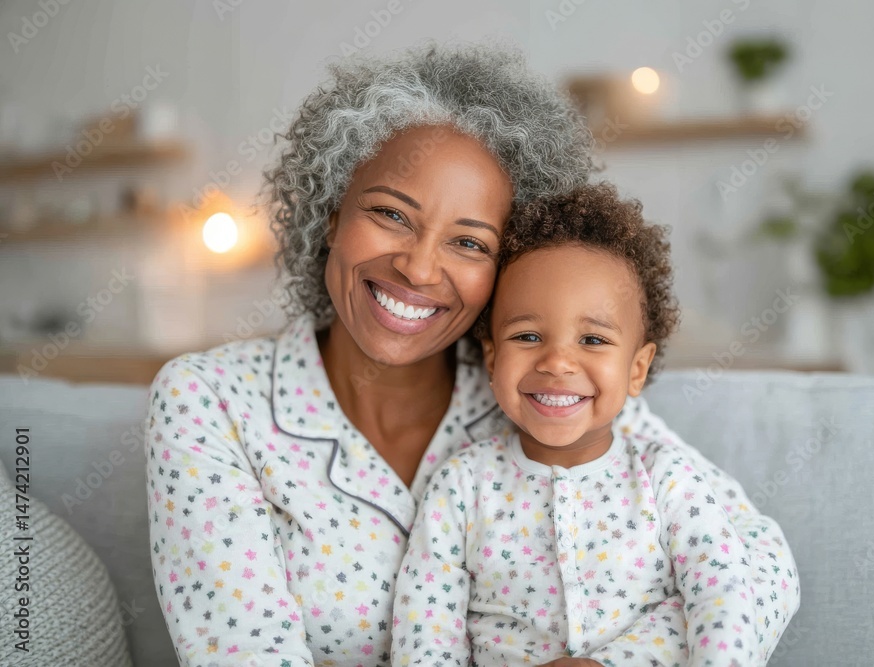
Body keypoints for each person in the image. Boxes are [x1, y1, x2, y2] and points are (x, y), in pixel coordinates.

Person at [144, 42, 798, 667]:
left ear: (508, 272)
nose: (419, 267)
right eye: (391, 214)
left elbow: (758, 566)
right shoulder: (210, 402)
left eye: (470, 243)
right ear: (329, 212)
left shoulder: (545, 392)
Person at [391, 184, 793, 666]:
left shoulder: (669, 479)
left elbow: (723, 598)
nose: (558, 361)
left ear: (637, 370)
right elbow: (425, 634)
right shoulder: (460, 487)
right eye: (528, 335)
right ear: (492, 360)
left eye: (593, 339)